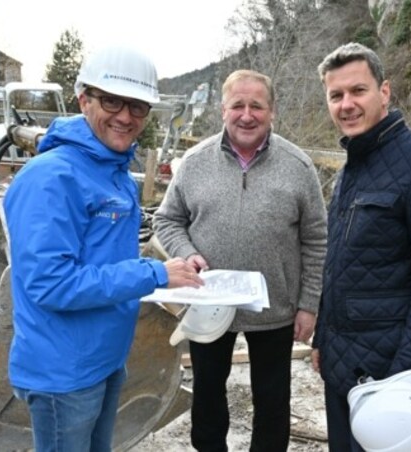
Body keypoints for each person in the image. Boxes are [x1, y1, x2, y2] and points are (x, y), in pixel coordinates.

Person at [2, 44, 204, 452]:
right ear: (83, 99)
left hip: (104, 358)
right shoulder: (52, 178)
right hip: (63, 371)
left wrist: (165, 269)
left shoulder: (113, 173)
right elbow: (52, 283)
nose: (126, 116)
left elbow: (106, 261)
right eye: (112, 101)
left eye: (138, 106)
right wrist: (155, 273)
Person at [154, 69, 327, 451]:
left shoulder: (298, 167)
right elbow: (166, 220)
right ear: (223, 110)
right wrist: (186, 252)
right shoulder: (195, 163)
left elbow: (317, 240)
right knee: (208, 395)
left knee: (272, 400)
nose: (246, 115)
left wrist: (308, 305)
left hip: (277, 309)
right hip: (209, 303)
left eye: (256, 106)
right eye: (238, 105)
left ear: (272, 112)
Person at [311, 42, 411, 451]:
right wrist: (322, 342)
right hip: (343, 368)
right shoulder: (352, 168)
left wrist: (405, 383)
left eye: (357, 91)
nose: (346, 104)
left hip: (388, 377)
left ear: (384, 92)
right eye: (336, 95)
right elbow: (340, 265)